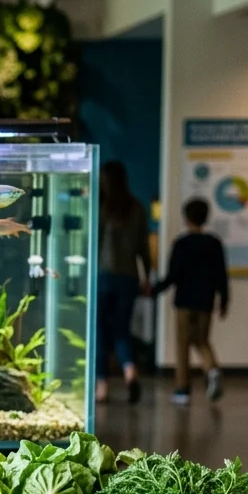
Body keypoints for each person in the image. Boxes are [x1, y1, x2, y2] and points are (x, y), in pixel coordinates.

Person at [151, 198, 229, 405]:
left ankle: (183, 389)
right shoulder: (214, 243)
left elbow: (173, 275)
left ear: (186, 218)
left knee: (183, 344)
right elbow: (221, 275)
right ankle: (212, 370)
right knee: (202, 340)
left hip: (184, 300)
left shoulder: (181, 244)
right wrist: (224, 301)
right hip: (206, 300)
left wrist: (155, 290)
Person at [96, 161, 151, 403]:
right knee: (121, 330)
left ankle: (102, 385)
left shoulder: (100, 208)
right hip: (128, 277)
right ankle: (129, 372)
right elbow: (143, 248)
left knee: (98, 331)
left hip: (102, 277)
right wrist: (147, 276)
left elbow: (91, 244)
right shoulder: (136, 208)